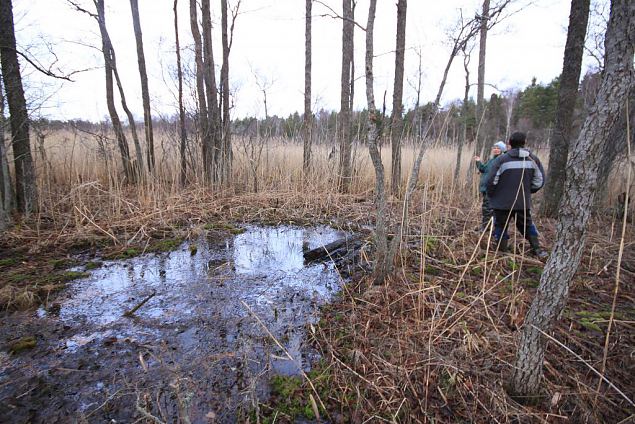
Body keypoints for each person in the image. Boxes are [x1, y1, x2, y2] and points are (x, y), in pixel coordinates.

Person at [485, 132, 548, 259]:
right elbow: (539, 181)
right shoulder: (532, 159)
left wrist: (492, 196)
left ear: (509, 143)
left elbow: (491, 181)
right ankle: (538, 250)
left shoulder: (502, 159)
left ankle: (502, 253)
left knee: (500, 226)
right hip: (522, 202)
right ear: (524, 142)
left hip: (501, 203)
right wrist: (527, 191)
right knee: (527, 225)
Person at [474, 141, 507, 230]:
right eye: (494, 148)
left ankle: (486, 228)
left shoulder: (501, 160)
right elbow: (484, 169)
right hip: (486, 189)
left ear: (502, 150)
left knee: (487, 209)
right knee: (487, 208)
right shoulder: (492, 160)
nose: (496, 150)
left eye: (498, 148)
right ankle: (488, 226)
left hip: (492, 189)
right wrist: (478, 162)